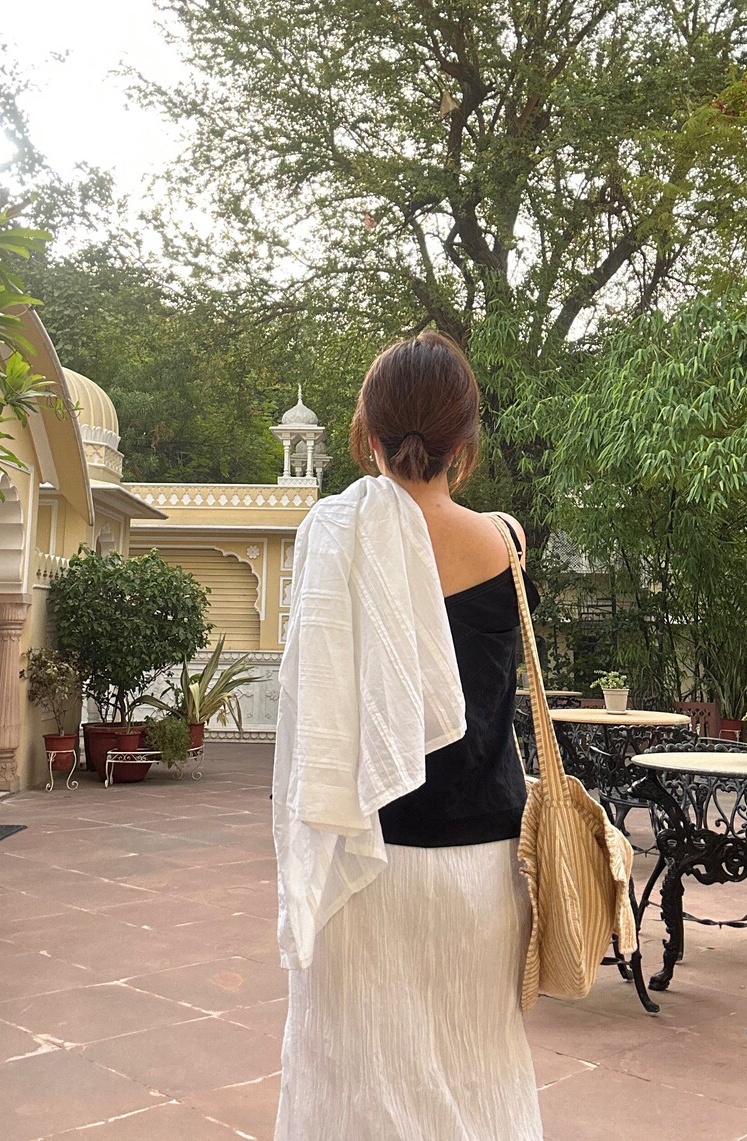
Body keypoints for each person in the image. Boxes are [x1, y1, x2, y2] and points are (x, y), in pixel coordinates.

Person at [272, 331, 543, 1140]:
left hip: (363, 859)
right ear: (467, 441)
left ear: (367, 432)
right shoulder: (504, 543)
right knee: (479, 1076)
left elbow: (313, 702)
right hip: (482, 871)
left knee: (351, 1083)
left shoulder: (334, 536)